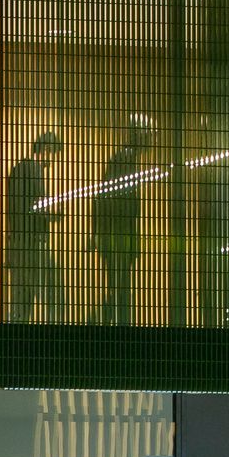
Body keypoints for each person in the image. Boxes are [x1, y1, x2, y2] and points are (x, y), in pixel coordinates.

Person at [91, 112, 153, 328]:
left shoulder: (126, 160)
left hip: (117, 238)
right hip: (117, 238)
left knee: (119, 288)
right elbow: (109, 200)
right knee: (120, 289)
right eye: (148, 136)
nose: (150, 141)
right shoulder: (124, 160)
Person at [3, 130, 62, 322]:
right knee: (52, 295)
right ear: (46, 150)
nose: (52, 162)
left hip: (18, 245)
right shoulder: (33, 169)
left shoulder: (18, 170)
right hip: (32, 245)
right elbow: (35, 206)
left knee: (21, 302)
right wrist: (53, 214)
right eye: (54, 154)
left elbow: (21, 208)